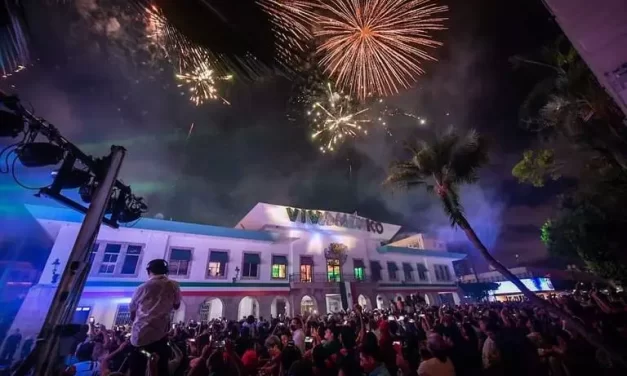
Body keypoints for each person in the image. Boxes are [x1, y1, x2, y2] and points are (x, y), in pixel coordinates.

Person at [128, 259, 181, 376]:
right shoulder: (174, 285)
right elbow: (177, 305)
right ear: (166, 272)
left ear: (149, 271)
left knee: (137, 370)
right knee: (161, 368)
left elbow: (132, 311)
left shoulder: (142, 288)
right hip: (160, 335)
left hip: (140, 336)